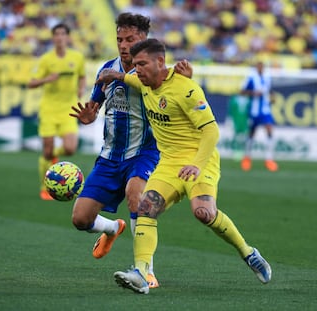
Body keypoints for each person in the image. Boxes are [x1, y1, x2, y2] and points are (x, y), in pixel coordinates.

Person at [96, 38, 272, 295]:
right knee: (146, 208)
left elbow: (211, 131)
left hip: (200, 159)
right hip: (169, 163)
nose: (138, 70)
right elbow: (128, 79)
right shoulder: (143, 83)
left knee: (204, 213)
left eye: (142, 64)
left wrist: (198, 165)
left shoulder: (186, 89)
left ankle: (248, 252)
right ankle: (141, 273)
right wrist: (114, 74)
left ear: (160, 62)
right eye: (135, 65)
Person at [69, 13, 193, 289]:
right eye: (119, 39)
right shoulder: (107, 68)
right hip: (110, 156)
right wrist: (90, 115)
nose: (123, 45)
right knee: (80, 219)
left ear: (144, 40)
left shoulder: (155, 73)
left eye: (130, 39)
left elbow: (179, 97)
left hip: (145, 153)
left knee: (137, 196)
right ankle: (113, 228)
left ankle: (145, 269)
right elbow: (95, 104)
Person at [27, 23, 86, 200]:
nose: (60, 37)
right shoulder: (46, 60)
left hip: (68, 109)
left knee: (70, 148)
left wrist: (81, 88)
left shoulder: (77, 57)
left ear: (67, 37)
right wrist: (47, 79)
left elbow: (82, 76)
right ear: (53, 38)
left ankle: (54, 155)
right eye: (57, 34)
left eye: (63, 34)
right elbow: (31, 83)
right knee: (46, 152)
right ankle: (45, 188)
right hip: (49, 110)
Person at [240, 61, 278, 172]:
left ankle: (269, 159)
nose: (261, 69)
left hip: (265, 110)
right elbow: (242, 91)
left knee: (269, 129)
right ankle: (247, 158)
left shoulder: (267, 77)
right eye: (259, 67)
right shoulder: (251, 78)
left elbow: (269, 90)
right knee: (252, 133)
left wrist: (272, 95)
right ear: (256, 68)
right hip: (254, 111)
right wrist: (253, 93)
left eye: (262, 67)